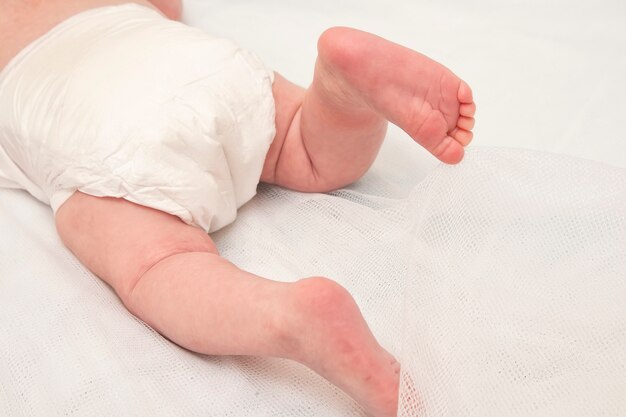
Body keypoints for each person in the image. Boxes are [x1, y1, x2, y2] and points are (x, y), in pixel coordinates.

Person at [0, 1, 475, 416]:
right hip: (194, 65)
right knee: (300, 141)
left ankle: (289, 315)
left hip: (96, 129)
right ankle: (340, 88)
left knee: (156, 264)